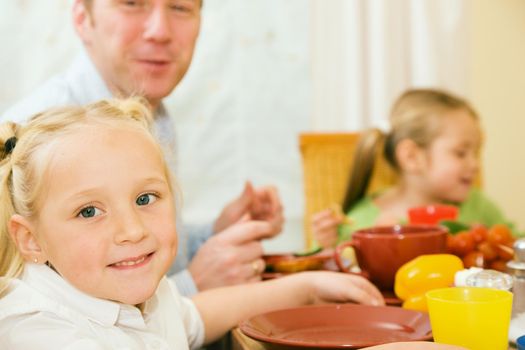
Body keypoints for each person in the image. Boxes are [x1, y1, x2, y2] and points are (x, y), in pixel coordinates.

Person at [0, 98, 384, 348]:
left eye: (145, 199)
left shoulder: (135, 292)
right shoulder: (38, 331)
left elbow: (196, 314)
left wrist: (304, 286)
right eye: (89, 211)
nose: (132, 230)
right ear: (31, 240)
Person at [1, 0, 284, 296]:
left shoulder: (152, 116)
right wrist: (193, 285)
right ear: (83, 18)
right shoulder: (36, 139)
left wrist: (216, 231)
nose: (160, 31)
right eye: (132, 4)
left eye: (180, 8)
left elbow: (135, 246)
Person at [312, 88, 516, 248]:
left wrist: (494, 242)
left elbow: (516, 247)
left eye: (477, 153)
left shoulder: (479, 207)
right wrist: (325, 245)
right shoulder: (359, 222)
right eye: (461, 153)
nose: (475, 165)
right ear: (411, 157)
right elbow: (328, 272)